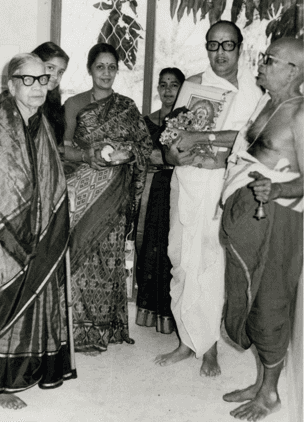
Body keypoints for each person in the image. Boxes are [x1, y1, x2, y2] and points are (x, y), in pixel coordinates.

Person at [155, 21, 264, 377]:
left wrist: (205, 138)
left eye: (227, 45)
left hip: (230, 188)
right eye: (213, 45)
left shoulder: (256, 90)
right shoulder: (195, 86)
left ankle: (211, 347)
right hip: (189, 182)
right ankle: (187, 340)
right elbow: (173, 142)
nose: (220, 53)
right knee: (183, 260)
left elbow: (254, 137)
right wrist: (179, 153)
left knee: (214, 264)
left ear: (239, 48)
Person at [218, 37, 303, 421]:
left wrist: (279, 188)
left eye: (271, 60)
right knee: (249, 295)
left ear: (294, 70)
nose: (262, 65)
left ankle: (269, 394)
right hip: (251, 214)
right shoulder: (268, 103)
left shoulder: (300, 113)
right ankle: (259, 382)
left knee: (270, 301)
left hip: (279, 220)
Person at [0, 53, 75, 410]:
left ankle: (24, 370)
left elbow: (48, 179)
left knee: (34, 300)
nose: (39, 86)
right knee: (2, 302)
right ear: (11, 84)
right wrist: (0, 239)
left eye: (44, 79)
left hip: (38, 230)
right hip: (4, 235)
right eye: (29, 79)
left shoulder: (39, 121)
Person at [60, 43, 149, 353]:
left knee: (107, 260)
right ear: (90, 69)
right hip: (82, 191)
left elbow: (144, 147)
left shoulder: (127, 106)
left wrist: (127, 154)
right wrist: (89, 156)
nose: (107, 72)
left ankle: (102, 330)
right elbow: (62, 149)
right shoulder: (73, 104)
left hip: (114, 193)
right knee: (79, 258)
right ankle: (74, 331)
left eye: (112, 67)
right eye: (101, 66)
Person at [135, 67, 186, 335]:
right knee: (152, 245)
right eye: (163, 85)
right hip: (154, 188)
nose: (168, 90)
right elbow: (142, 156)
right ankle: (151, 312)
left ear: (182, 88)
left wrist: (160, 157)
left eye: (174, 85)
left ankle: (173, 314)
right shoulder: (147, 121)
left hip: (180, 186)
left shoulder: (188, 121)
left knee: (173, 248)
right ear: (157, 88)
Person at [32, 42, 70, 144]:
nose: (55, 76)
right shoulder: (21, 100)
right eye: (50, 68)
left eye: (60, 72)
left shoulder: (52, 103)